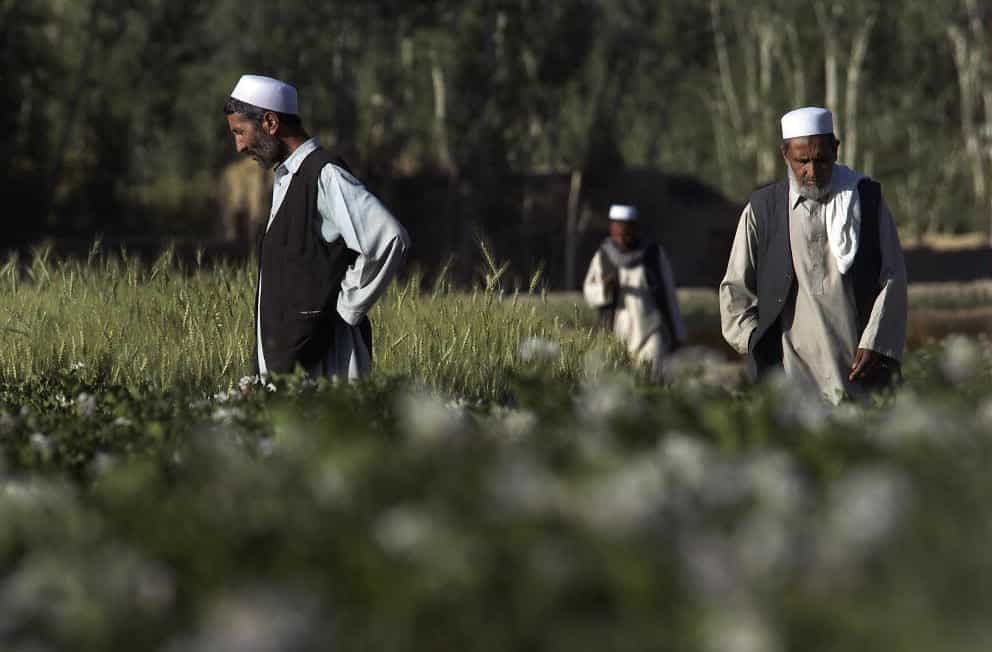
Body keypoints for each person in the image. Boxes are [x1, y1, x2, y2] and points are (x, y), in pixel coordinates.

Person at [224, 74, 410, 380]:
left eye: (240, 132)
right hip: (295, 368)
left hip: (328, 363)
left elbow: (388, 238)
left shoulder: (324, 174)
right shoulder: (288, 178)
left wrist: (345, 309)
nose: (239, 145)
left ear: (270, 123)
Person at [719, 106, 907, 403]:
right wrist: (755, 342)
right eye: (801, 161)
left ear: (835, 150)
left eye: (821, 160)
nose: (812, 171)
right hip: (789, 379)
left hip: (858, 374)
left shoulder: (867, 201)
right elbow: (735, 290)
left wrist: (877, 343)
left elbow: (893, 275)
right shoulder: (762, 210)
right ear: (785, 155)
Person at [583, 204, 687, 381]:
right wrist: (604, 288)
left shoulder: (653, 255)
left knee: (650, 380)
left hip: (650, 331)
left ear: (635, 229)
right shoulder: (603, 256)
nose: (624, 234)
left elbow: (668, 294)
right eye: (619, 228)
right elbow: (589, 292)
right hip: (617, 335)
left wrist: (677, 334)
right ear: (612, 229)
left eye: (628, 228)